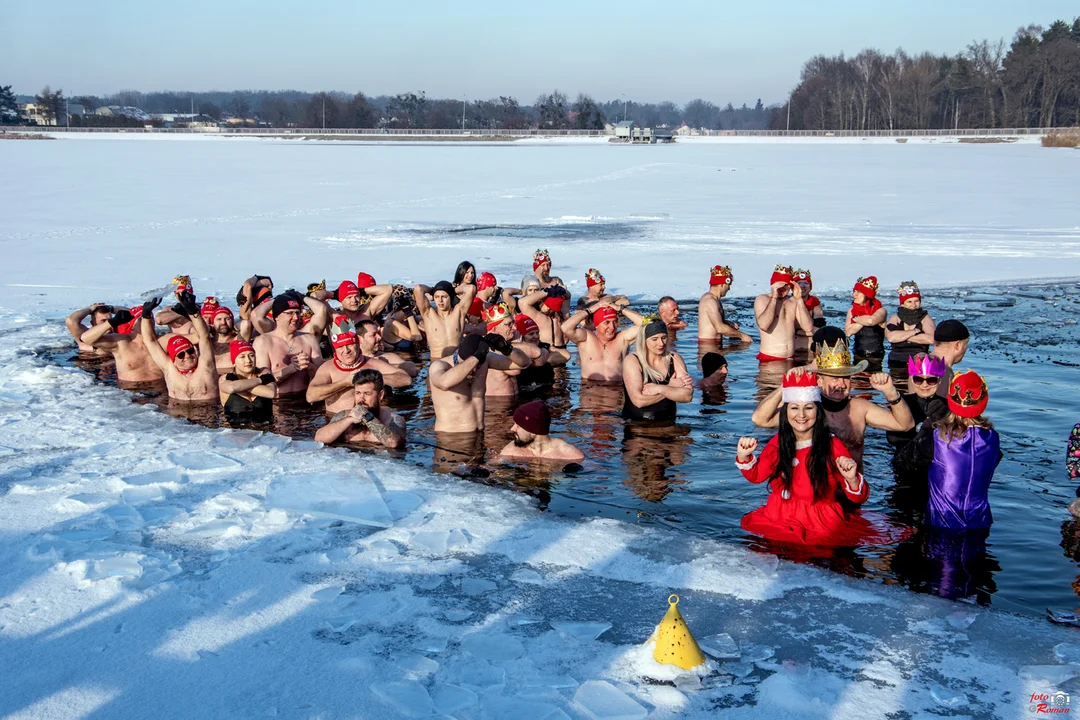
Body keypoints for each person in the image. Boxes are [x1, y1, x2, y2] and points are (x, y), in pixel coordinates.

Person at [735, 371, 870, 546]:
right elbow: (757, 476)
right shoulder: (779, 441)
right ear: (785, 412)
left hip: (819, 522)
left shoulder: (832, 445)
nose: (801, 415)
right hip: (779, 515)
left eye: (808, 407)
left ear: (818, 412)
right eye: (794, 408)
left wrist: (851, 479)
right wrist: (744, 456)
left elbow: (859, 497)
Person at [750, 336, 914, 467]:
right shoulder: (807, 409)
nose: (841, 384)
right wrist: (785, 386)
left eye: (846, 378)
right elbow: (760, 419)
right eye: (835, 378)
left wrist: (891, 392)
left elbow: (905, 425)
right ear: (819, 381)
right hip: (816, 492)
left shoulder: (860, 408)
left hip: (851, 491)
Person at [892, 370, 1001, 530]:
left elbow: (902, 463)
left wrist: (926, 427)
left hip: (942, 523)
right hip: (980, 522)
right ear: (983, 403)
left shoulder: (936, 438)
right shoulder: (993, 439)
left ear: (951, 400)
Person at [428, 333, 530, 433]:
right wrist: (476, 358)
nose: (475, 369)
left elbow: (524, 363)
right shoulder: (440, 366)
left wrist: (507, 349)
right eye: (473, 365)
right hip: (451, 438)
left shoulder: (485, 359)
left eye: (479, 365)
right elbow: (444, 383)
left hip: (480, 434)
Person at [306, 326, 409, 414]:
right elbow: (311, 396)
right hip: (337, 420)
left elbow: (405, 379)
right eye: (340, 347)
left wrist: (369, 377)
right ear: (335, 349)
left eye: (349, 344)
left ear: (358, 343)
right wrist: (345, 383)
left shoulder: (372, 363)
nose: (346, 350)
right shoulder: (327, 368)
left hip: (372, 418)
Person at [139, 295, 218, 402]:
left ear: (195, 351)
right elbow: (150, 341)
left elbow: (204, 337)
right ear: (173, 359)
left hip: (207, 413)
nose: (187, 356)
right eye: (181, 354)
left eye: (190, 351)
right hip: (176, 414)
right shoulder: (169, 369)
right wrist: (146, 315)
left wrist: (193, 312)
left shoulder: (206, 366)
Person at [252, 293, 327, 396]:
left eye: (297, 312)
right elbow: (262, 382)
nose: (296, 317)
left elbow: (323, 377)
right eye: (290, 313)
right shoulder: (263, 341)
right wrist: (291, 368)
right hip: (278, 402)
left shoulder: (309, 339)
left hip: (304, 399)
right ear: (277, 317)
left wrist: (308, 365)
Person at [622, 316, 694, 421]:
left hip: (668, 422)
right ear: (644, 340)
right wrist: (671, 387)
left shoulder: (675, 359)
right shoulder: (632, 361)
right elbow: (639, 401)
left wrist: (660, 388)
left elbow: (687, 396)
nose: (661, 343)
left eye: (664, 337)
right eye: (654, 339)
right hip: (637, 424)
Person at [314, 369, 406, 448]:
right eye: (358, 393)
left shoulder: (394, 420)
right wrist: (349, 420)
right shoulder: (344, 416)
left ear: (380, 395)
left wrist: (367, 417)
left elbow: (393, 443)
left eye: (367, 394)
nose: (361, 399)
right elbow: (319, 438)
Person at [79, 305, 165, 386]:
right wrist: (111, 322)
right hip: (131, 390)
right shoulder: (121, 342)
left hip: (161, 388)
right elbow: (86, 338)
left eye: (149, 318)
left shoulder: (163, 341)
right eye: (141, 319)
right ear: (132, 325)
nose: (147, 321)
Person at [561, 303, 644, 382]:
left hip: (616, 389)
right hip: (589, 389)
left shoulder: (622, 338)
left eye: (614, 321)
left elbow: (647, 324)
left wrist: (621, 308)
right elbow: (565, 327)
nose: (612, 327)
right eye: (607, 322)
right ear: (596, 324)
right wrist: (590, 310)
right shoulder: (587, 338)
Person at [886, 353, 949, 452]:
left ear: (939, 380)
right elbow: (892, 438)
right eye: (918, 379)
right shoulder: (902, 403)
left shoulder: (948, 406)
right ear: (911, 379)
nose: (924, 385)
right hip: (905, 459)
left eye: (931, 380)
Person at [483, 303, 548, 396]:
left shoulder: (506, 345)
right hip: (496, 404)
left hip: (509, 400)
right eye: (509, 324)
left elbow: (538, 354)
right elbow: (516, 370)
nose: (514, 327)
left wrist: (511, 344)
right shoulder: (490, 347)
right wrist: (516, 344)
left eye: (513, 323)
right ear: (494, 329)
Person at [753, 264, 814, 362]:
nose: (783, 289)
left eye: (786, 285)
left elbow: (808, 327)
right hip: (770, 358)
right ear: (773, 285)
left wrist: (799, 299)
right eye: (780, 285)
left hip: (791, 358)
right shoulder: (762, 299)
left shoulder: (793, 301)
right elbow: (764, 325)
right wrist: (774, 297)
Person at [499, 399, 585, 462]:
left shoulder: (570, 456)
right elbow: (493, 468)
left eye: (518, 425)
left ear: (533, 430)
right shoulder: (511, 451)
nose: (512, 429)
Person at [414, 280, 475, 359]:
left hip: (455, 362)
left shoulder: (459, 313)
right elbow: (418, 289)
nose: (440, 300)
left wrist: (452, 290)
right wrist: (432, 290)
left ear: (450, 297)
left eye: (444, 296)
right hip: (437, 362)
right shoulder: (429, 314)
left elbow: (471, 289)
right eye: (437, 297)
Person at [219, 340, 277, 423]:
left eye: (252, 355)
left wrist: (239, 385)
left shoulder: (263, 372)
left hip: (266, 432)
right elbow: (231, 388)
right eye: (242, 357)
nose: (248, 360)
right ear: (233, 362)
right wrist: (261, 380)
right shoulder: (224, 378)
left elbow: (270, 393)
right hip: (235, 432)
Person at [885, 281, 936, 372]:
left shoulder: (925, 318)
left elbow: (931, 339)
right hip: (896, 361)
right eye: (909, 301)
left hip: (918, 360)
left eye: (916, 301)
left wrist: (902, 336)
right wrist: (915, 331)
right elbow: (891, 337)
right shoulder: (895, 318)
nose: (913, 305)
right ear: (902, 303)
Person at [518, 285, 572, 365]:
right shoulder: (565, 315)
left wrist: (546, 291)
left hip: (548, 355)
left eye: (541, 302)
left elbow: (522, 302)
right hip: (562, 358)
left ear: (546, 305)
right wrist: (562, 290)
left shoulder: (540, 318)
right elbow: (568, 295)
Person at [698, 265, 752, 344]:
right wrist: (742, 336)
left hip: (712, 346)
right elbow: (720, 328)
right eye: (728, 285)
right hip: (708, 347)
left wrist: (726, 323)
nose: (729, 288)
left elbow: (712, 322)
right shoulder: (710, 301)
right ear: (722, 284)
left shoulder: (713, 299)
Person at [845, 275, 887, 362]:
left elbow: (871, 321)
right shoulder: (852, 310)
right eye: (854, 291)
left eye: (858, 292)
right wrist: (862, 320)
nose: (854, 295)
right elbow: (848, 332)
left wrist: (856, 319)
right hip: (858, 355)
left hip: (876, 357)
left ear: (867, 295)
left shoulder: (881, 310)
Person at [931, 319, 970, 396]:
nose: (966, 347)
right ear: (957, 345)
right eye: (966, 343)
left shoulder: (920, 362)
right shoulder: (943, 371)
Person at [791, 269, 825, 355]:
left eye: (806, 283)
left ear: (810, 287)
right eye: (799, 283)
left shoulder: (815, 303)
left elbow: (819, 330)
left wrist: (797, 331)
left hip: (810, 349)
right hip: (792, 349)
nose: (802, 286)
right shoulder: (788, 303)